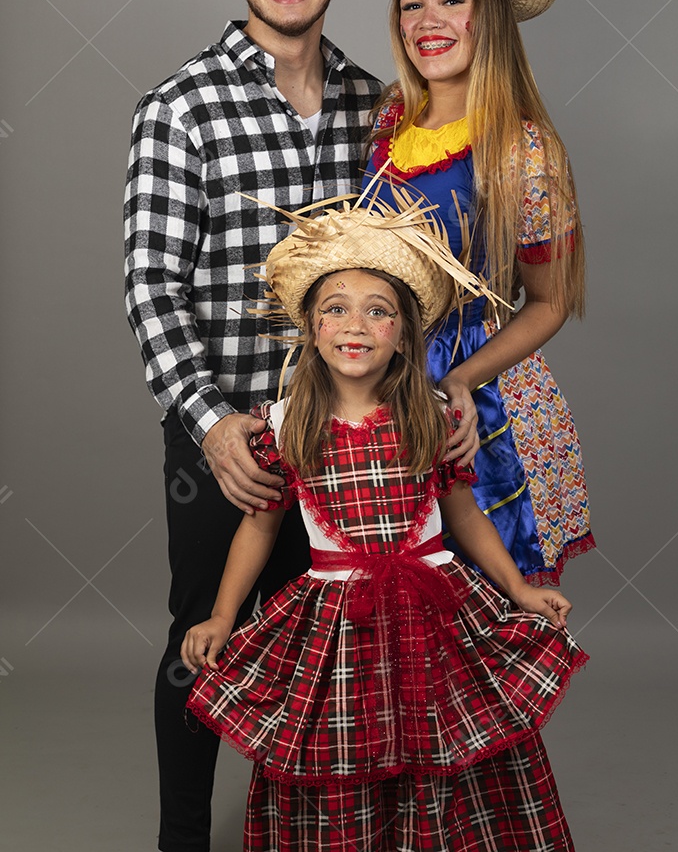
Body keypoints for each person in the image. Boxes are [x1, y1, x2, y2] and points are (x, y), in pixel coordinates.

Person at [181, 188, 588, 852]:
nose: (356, 326)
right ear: (312, 327)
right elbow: (256, 528)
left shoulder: (430, 412)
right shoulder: (285, 427)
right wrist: (224, 617)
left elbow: (465, 511)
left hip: (436, 612)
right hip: (338, 621)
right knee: (344, 750)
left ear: (403, 333)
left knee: (445, 744)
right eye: (335, 310)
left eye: (378, 312)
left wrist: (519, 589)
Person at [123, 0, 385, 852]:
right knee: (208, 635)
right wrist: (208, 421)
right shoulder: (182, 106)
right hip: (226, 435)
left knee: (328, 647)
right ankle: (182, 839)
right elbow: (153, 285)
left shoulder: (373, 106)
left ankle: (306, 831)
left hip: (345, 434)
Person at [348, 0, 593, 584]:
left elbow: (550, 300)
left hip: (478, 400)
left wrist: (461, 379)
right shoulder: (388, 117)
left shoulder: (523, 149)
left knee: (485, 615)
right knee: (390, 613)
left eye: (453, 0)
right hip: (378, 386)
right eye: (411, 3)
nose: (429, 20)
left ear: (490, 15)